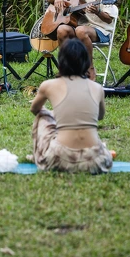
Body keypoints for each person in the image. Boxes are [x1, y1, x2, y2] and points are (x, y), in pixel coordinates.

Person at [29, 39, 113, 174]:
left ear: (61, 61)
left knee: (43, 115)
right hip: (95, 160)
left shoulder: (48, 85)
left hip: (60, 159)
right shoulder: (97, 88)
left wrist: (53, 113)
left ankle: (39, 154)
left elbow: (34, 109)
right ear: (86, 62)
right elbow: (100, 116)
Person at [47, 0, 117, 80]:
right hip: (79, 25)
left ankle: (89, 68)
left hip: (100, 30)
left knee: (80, 31)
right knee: (62, 29)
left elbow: (108, 19)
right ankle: (66, 69)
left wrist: (98, 11)